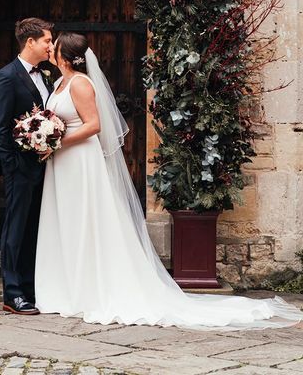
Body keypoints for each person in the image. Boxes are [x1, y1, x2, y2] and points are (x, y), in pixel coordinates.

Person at [34, 31, 302, 329]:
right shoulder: (59, 82)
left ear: (65, 55)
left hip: (81, 161)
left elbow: (94, 125)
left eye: (54, 46)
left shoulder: (82, 84)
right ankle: (67, 287)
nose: (50, 49)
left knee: (86, 220)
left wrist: (58, 142)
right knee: (68, 220)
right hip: (63, 163)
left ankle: (88, 289)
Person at [0, 17, 54, 315]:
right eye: (47, 41)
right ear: (30, 42)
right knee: (14, 230)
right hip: (20, 169)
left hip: (45, 167)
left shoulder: (47, 75)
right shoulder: (6, 76)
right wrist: (14, 165)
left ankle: (29, 289)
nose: (50, 46)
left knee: (34, 230)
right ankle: (12, 294)